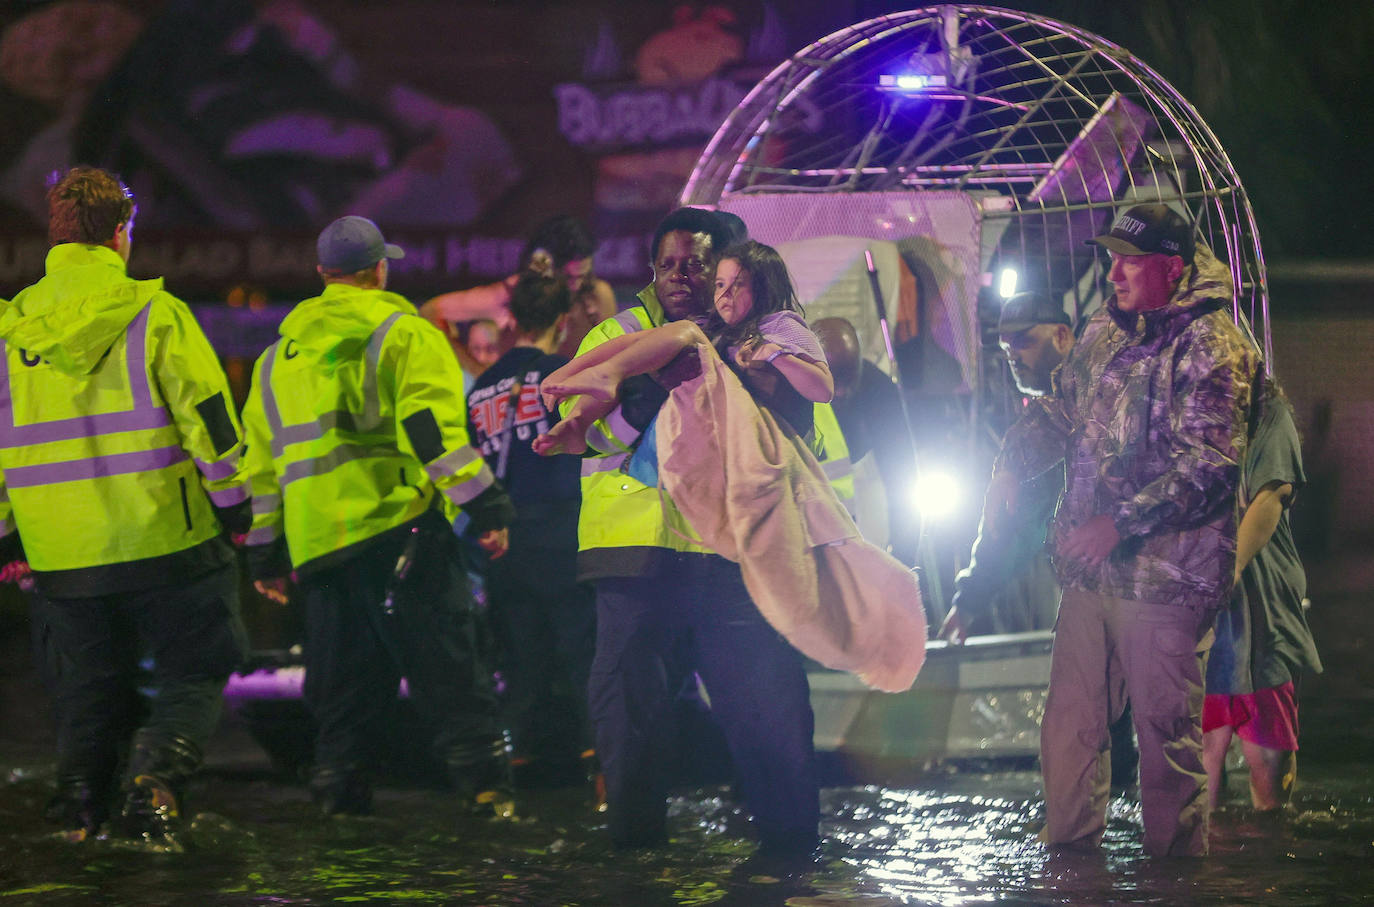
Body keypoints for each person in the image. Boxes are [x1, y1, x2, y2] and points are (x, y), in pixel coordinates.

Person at [0, 166, 252, 846]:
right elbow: (211, 425)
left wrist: (8, 540)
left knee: (87, 689)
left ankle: (79, 805)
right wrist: (236, 509)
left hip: (58, 553)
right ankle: (155, 780)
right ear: (120, 234)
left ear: (54, 235)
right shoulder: (155, 313)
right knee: (197, 663)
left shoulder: (10, 329)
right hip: (165, 537)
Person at [240, 215, 518, 819]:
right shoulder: (405, 334)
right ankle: (489, 797)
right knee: (451, 674)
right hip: (401, 531)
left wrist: (264, 553)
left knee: (341, 694)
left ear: (323, 275)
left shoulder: (273, 361)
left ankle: (339, 802)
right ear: (380, 269)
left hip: (320, 550)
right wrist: (487, 504)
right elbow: (430, 433)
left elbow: (259, 473)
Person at [564, 207, 821, 857]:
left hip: (727, 553)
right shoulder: (618, 335)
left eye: (696, 263)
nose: (679, 275)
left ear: (728, 269)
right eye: (667, 263)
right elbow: (583, 431)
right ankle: (633, 849)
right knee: (628, 712)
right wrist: (643, 404)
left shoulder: (764, 337)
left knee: (768, 700)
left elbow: (808, 440)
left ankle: (791, 848)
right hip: (635, 553)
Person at [1030, 204, 1258, 857]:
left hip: (1167, 577)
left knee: (1166, 744)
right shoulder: (1104, 331)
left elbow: (1212, 464)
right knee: (1069, 729)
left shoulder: (1216, 346)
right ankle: (1070, 875)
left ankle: (1176, 877)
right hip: (1090, 576)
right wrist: (1017, 463)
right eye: (1111, 256)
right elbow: (1064, 412)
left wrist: (1119, 522)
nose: (1115, 271)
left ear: (1173, 268)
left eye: (1131, 259)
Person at [464, 274, 597, 785]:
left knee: (520, 664)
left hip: (506, 542)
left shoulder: (481, 387)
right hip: (563, 534)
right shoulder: (563, 376)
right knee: (583, 657)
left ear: (512, 321)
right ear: (562, 323)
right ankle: (601, 781)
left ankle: (516, 786)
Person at [534, 238, 833, 456]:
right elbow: (633, 341)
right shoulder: (714, 327)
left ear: (764, 287)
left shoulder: (781, 324)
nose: (725, 294)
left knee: (685, 331)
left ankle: (606, 378)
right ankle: (578, 422)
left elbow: (823, 389)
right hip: (726, 453)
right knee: (668, 339)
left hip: (774, 453)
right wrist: (569, 370)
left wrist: (776, 355)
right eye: (719, 284)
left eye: (738, 284)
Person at [1202, 374, 1322, 812]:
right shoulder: (1178, 414)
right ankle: (1201, 869)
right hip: (1203, 620)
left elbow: (1271, 495)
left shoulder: (1268, 414)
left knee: (1267, 763)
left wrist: (1228, 571)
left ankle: (1264, 860)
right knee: (1200, 764)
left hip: (1261, 612)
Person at [938, 293, 1074, 640]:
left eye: (1024, 340)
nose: (1012, 354)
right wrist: (969, 602)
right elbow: (1013, 520)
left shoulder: (1099, 399)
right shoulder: (1044, 419)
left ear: (1062, 335)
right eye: (1005, 344)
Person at [421, 214, 617, 361]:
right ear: (543, 265)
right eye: (567, 277)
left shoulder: (597, 297)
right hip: (520, 407)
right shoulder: (511, 294)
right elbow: (431, 311)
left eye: (583, 276)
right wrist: (476, 370)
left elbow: (613, 362)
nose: (576, 286)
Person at [812, 317, 918, 565]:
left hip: (865, 492)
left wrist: (904, 554)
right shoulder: (789, 389)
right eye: (834, 380)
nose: (842, 392)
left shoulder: (880, 390)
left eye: (849, 380)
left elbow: (901, 474)